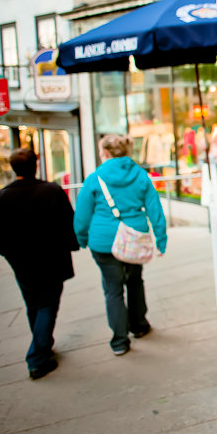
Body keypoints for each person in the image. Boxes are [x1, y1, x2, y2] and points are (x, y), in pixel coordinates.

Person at [0, 147, 78, 380]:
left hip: (22, 263)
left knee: (34, 305)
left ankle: (43, 345)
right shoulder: (51, 191)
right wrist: (72, 245)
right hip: (51, 261)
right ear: (35, 165)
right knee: (47, 306)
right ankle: (37, 357)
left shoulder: (1, 197)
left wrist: (9, 255)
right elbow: (69, 223)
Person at [74, 134, 167, 355]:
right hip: (134, 238)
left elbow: (82, 216)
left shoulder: (94, 178)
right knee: (135, 280)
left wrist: (82, 238)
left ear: (105, 153)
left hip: (104, 243)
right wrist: (161, 240)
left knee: (113, 290)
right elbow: (155, 210)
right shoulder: (141, 176)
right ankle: (139, 326)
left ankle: (119, 341)